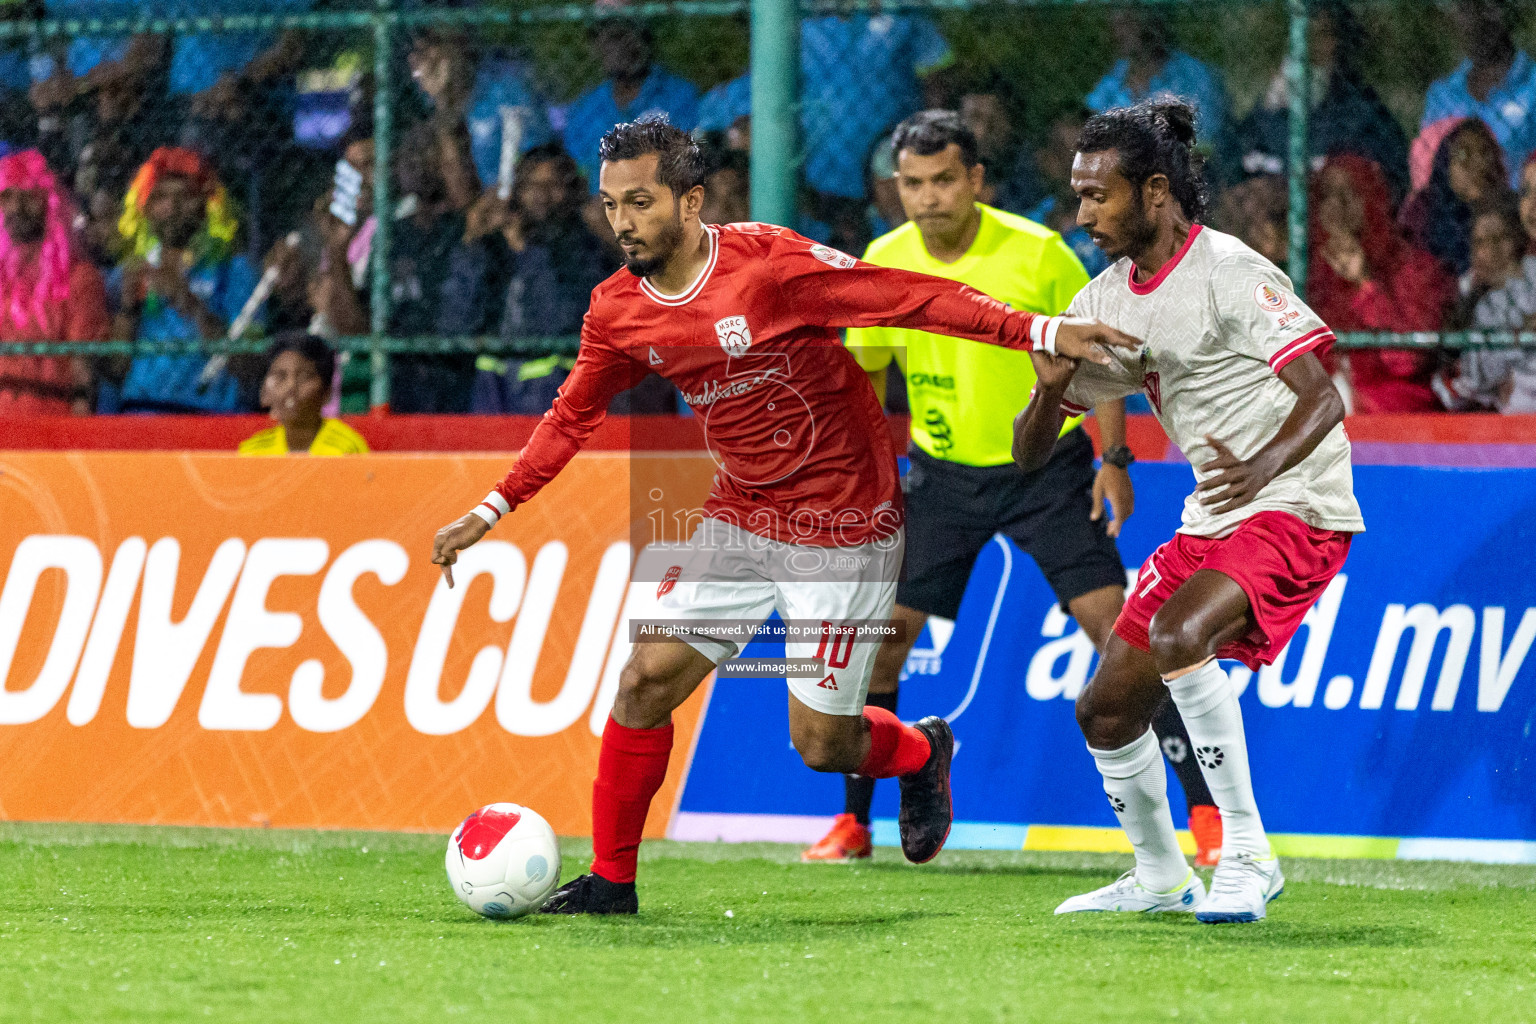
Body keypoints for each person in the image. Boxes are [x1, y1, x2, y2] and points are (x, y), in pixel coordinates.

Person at [427, 116, 1139, 915]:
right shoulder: (617, 309)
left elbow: (911, 300)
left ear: (690, 200)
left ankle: (920, 752)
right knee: (640, 682)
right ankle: (612, 883)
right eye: (610, 205)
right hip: (742, 511)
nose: (622, 222)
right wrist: (491, 509)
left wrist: (1038, 329)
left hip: (845, 519)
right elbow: (569, 417)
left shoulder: (769, 266)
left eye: (640, 202)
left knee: (820, 743)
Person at [805, 110, 1222, 868]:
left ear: (975, 181)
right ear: (895, 188)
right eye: (912, 184)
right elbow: (864, 376)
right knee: (882, 646)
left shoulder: (1036, 253)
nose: (927, 197)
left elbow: (1094, 351)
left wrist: (1114, 458)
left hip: (1046, 471)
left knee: (1119, 634)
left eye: (942, 181)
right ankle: (854, 824)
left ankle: (1205, 817)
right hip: (941, 477)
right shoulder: (881, 257)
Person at [1015, 100, 1363, 922]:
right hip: (1215, 516)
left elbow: (1325, 398)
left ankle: (1246, 853)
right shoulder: (1104, 300)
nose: (1084, 214)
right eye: (1078, 197)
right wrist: (1052, 388)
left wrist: (1264, 467)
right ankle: (1161, 877)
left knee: (1178, 637)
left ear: (1157, 191)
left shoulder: (1231, 271)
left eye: (1099, 196)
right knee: (1102, 710)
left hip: (1297, 501)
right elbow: (1030, 454)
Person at [453, 145, 614, 414]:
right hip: (493, 394)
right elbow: (456, 321)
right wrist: (471, 242)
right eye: (531, 185)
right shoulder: (493, 246)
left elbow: (557, 318)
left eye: (553, 185)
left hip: (557, 393)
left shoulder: (584, 247)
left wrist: (525, 253)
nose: (541, 195)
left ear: (571, 191)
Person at [108, 146, 257, 414]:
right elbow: (114, 371)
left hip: (208, 415)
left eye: (185, 196)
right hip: (140, 413)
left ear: (207, 205)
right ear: (145, 206)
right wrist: (127, 313)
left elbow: (249, 365)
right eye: (160, 197)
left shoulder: (234, 271)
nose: (173, 207)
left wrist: (187, 300)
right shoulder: (128, 272)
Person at [1309, 155, 1454, 413]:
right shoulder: (1311, 270)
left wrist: (1365, 284)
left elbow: (1407, 361)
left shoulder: (1413, 267)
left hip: (1396, 408)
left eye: (1351, 193)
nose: (1338, 205)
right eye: (1328, 195)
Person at [1236, 0, 1410, 205]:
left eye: (1322, 35)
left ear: (1340, 42)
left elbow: (1389, 186)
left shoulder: (1364, 116)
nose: (1308, 47)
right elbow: (1230, 179)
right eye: (1301, 33)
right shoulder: (1262, 118)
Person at [0, 149, 110, 416]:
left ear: (50, 204)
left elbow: (82, 369)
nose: (17, 207)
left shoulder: (79, 277)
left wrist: (76, 443)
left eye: (29, 196)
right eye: (7, 197)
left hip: (50, 422)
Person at [1086, 11, 1233, 181]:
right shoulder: (1110, 84)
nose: (1121, 30)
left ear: (1153, 20)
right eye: (1117, 22)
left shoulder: (1193, 76)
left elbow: (1204, 144)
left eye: (1130, 20)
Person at [561, 19, 700, 188]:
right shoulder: (586, 107)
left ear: (645, 38)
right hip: (600, 204)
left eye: (625, 35)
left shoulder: (680, 95)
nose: (619, 47)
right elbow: (575, 168)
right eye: (610, 38)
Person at [1438, 192, 1536, 412]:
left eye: (1499, 238)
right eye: (1480, 242)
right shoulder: (1472, 299)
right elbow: (1480, 377)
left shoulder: (1532, 274)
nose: (1489, 250)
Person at [1421, 0, 1536, 185]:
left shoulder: (1532, 86)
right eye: (1466, 9)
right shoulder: (1442, 96)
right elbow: (1425, 171)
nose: (1478, 19)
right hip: (1454, 210)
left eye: (1487, 6)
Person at [1401, 117, 1507, 276]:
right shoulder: (1421, 213)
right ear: (1444, 160)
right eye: (1464, 154)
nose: (1479, 164)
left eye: (1486, 152)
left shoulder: (1509, 211)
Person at [240, 332, 368, 456]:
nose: (291, 386)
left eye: (305, 376)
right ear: (264, 393)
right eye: (280, 376)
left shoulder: (346, 449)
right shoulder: (253, 452)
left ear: (326, 392)